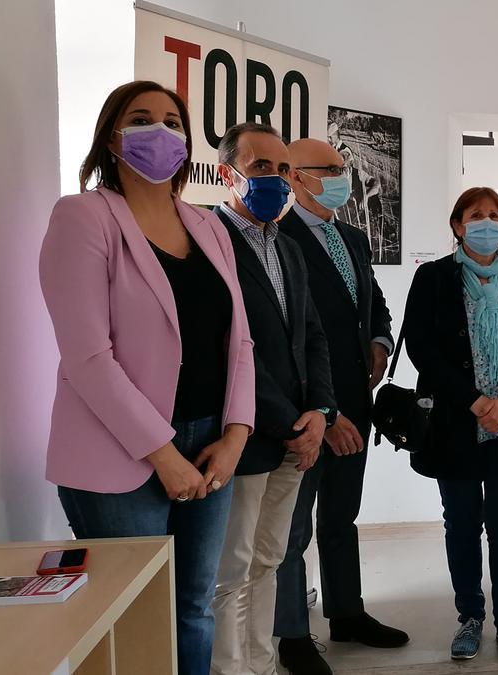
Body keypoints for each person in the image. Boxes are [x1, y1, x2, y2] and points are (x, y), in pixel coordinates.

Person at [38, 80, 255, 675]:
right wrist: (163, 455)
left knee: (192, 606)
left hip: (209, 442)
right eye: (141, 118)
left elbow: (239, 338)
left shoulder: (209, 226)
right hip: (121, 456)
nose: (160, 131)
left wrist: (236, 435)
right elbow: (87, 357)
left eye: (173, 121)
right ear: (114, 136)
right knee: (134, 613)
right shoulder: (83, 217)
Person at [209, 122, 337, 675]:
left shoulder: (288, 246)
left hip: (296, 435)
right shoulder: (208, 242)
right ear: (226, 173)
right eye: (262, 167)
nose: (278, 179)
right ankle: (230, 669)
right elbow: (229, 348)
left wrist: (321, 413)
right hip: (244, 435)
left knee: (270, 560)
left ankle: (261, 665)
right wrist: (290, 422)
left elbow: (311, 335)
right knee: (231, 568)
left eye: (284, 169)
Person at [403, 187, 498, 662]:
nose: (486, 222)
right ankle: (469, 616)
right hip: (454, 421)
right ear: (457, 225)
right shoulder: (433, 278)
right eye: (475, 215)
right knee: (462, 525)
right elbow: (422, 348)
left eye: (494, 215)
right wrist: (474, 401)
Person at [275, 138, 405, 675]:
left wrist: (379, 340)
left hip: (358, 399)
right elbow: (284, 338)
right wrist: (324, 412)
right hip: (308, 411)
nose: (340, 176)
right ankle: (292, 635)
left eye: (342, 167)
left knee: (341, 517)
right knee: (292, 528)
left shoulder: (351, 236)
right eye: (328, 169)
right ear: (295, 177)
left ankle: (347, 612)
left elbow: (371, 301)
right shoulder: (276, 239)